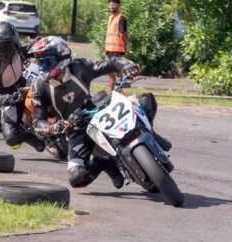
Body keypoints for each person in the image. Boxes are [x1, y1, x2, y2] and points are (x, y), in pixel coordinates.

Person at [29, 35, 164, 189]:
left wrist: (127, 65)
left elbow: (111, 63)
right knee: (77, 178)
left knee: (146, 100)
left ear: (62, 57)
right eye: (40, 63)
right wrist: (53, 128)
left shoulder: (79, 66)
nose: (42, 67)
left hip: (99, 110)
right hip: (76, 130)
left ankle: (151, 134)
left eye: (46, 62)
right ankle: (103, 163)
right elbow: (37, 122)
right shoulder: (39, 86)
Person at [0, 22, 45, 152]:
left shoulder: (19, 51)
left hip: (24, 83)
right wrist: (4, 99)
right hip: (9, 97)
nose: (6, 48)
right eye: (2, 45)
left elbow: (34, 48)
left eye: (9, 44)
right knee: (11, 138)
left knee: (48, 89)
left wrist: (40, 43)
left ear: (15, 40)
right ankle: (29, 136)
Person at [104, 0, 128, 92]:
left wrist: (125, 46)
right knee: (110, 73)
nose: (112, 6)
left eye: (114, 4)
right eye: (110, 4)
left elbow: (124, 34)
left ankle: (122, 95)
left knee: (118, 73)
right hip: (109, 50)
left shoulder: (121, 18)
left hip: (117, 51)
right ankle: (111, 95)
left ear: (119, 5)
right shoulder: (110, 17)